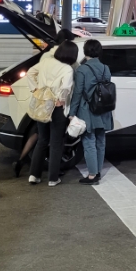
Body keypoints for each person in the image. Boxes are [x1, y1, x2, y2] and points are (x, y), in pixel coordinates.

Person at [27, 40, 78, 186]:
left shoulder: (45, 62)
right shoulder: (67, 69)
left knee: (42, 140)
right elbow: (66, 87)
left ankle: (33, 175)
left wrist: (34, 89)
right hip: (56, 108)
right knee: (56, 143)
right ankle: (53, 178)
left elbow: (30, 73)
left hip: (42, 104)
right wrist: (61, 99)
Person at [69, 39, 113, 185]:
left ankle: (92, 175)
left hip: (88, 109)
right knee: (101, 141)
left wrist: (72, 112)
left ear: (85, 51)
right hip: (103, 109)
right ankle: (98, 171)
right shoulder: (106, 68)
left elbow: (78, 92)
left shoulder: (82, 69)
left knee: (88, 141)